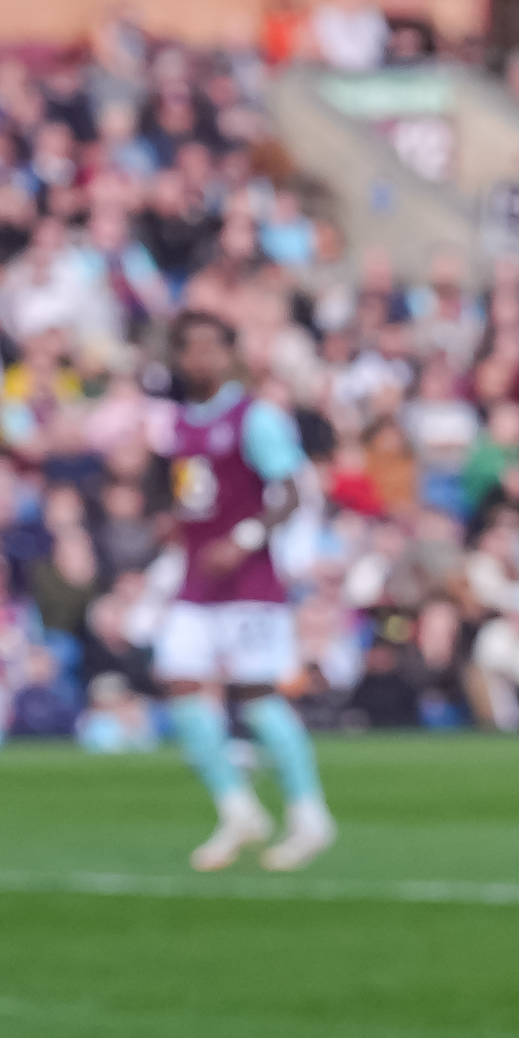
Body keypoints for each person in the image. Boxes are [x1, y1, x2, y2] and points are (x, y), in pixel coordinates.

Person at [154, 310, 336, 871]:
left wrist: (245, 537)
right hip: (196, 580)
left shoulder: (254, 417)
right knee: (179, 680)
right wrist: (175, 521)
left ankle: (309, 815)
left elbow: (288, 490)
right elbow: (198, 492)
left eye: (211, 347)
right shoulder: (180, 424)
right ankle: (237, 808)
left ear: (229, 354)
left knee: (256, 698)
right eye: (190, 348)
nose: (199, 358)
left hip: (249, 583)